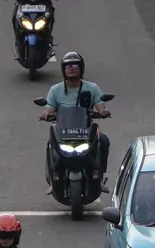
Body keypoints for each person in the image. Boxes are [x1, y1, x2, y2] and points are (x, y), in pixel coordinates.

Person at [39, 51, 112, 191]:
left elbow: (100, 106)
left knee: (103, 140)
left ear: (81, 68)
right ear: (63, 69)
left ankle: (99, 177)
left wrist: (103, 112)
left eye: (75, 65)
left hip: (85, 129)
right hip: (63, 129)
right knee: (51, 143)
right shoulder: (55, 90)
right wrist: (45, 114)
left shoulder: (92, 88)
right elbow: (50, 108)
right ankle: (53, 179)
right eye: (68, 65)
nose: (71, 67)